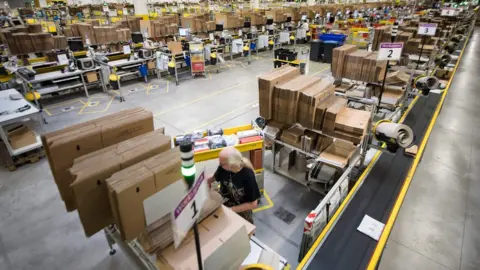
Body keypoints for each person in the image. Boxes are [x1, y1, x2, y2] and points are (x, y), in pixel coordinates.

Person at [208, 147, 260, 224]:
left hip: (241, 208)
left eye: (221, 164)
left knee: (244, 232)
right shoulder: (223, 169)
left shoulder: (248, 175)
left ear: (231, 165)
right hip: (225, 202)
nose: (219, 165)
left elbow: (253, 204)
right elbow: (213, 179)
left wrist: (231, 210)